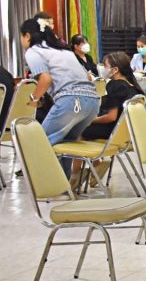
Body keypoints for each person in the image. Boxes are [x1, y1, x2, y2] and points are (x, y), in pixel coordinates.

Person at [20, 17, 101, 174]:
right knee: (65, 145)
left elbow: (45, 79)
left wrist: (33, 99)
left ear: (27, 36)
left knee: (39, 142)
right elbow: (88, 76)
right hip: (92, 103)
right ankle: (64, 184)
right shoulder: (64, 50)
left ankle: (47, 183)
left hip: (71, 101)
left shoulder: (34, 51)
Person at [80, 52, 144, 140]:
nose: (103, 69)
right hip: (126, 131)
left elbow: (111, 117)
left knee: (77, 129)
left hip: (112, 130)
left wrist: (92, 120)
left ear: (115, 70)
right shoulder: (131, 85)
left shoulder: (115, 85)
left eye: (105, 66)